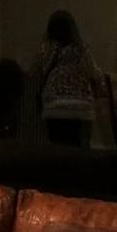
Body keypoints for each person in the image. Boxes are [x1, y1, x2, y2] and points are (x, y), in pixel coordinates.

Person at [35, 10, 104, 147]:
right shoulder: (81, 49)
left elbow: (39, 71)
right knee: (78, 147)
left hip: (53, 105)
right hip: (80, 106)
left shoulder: (46, 49)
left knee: (57, 147)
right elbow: (94, 72)